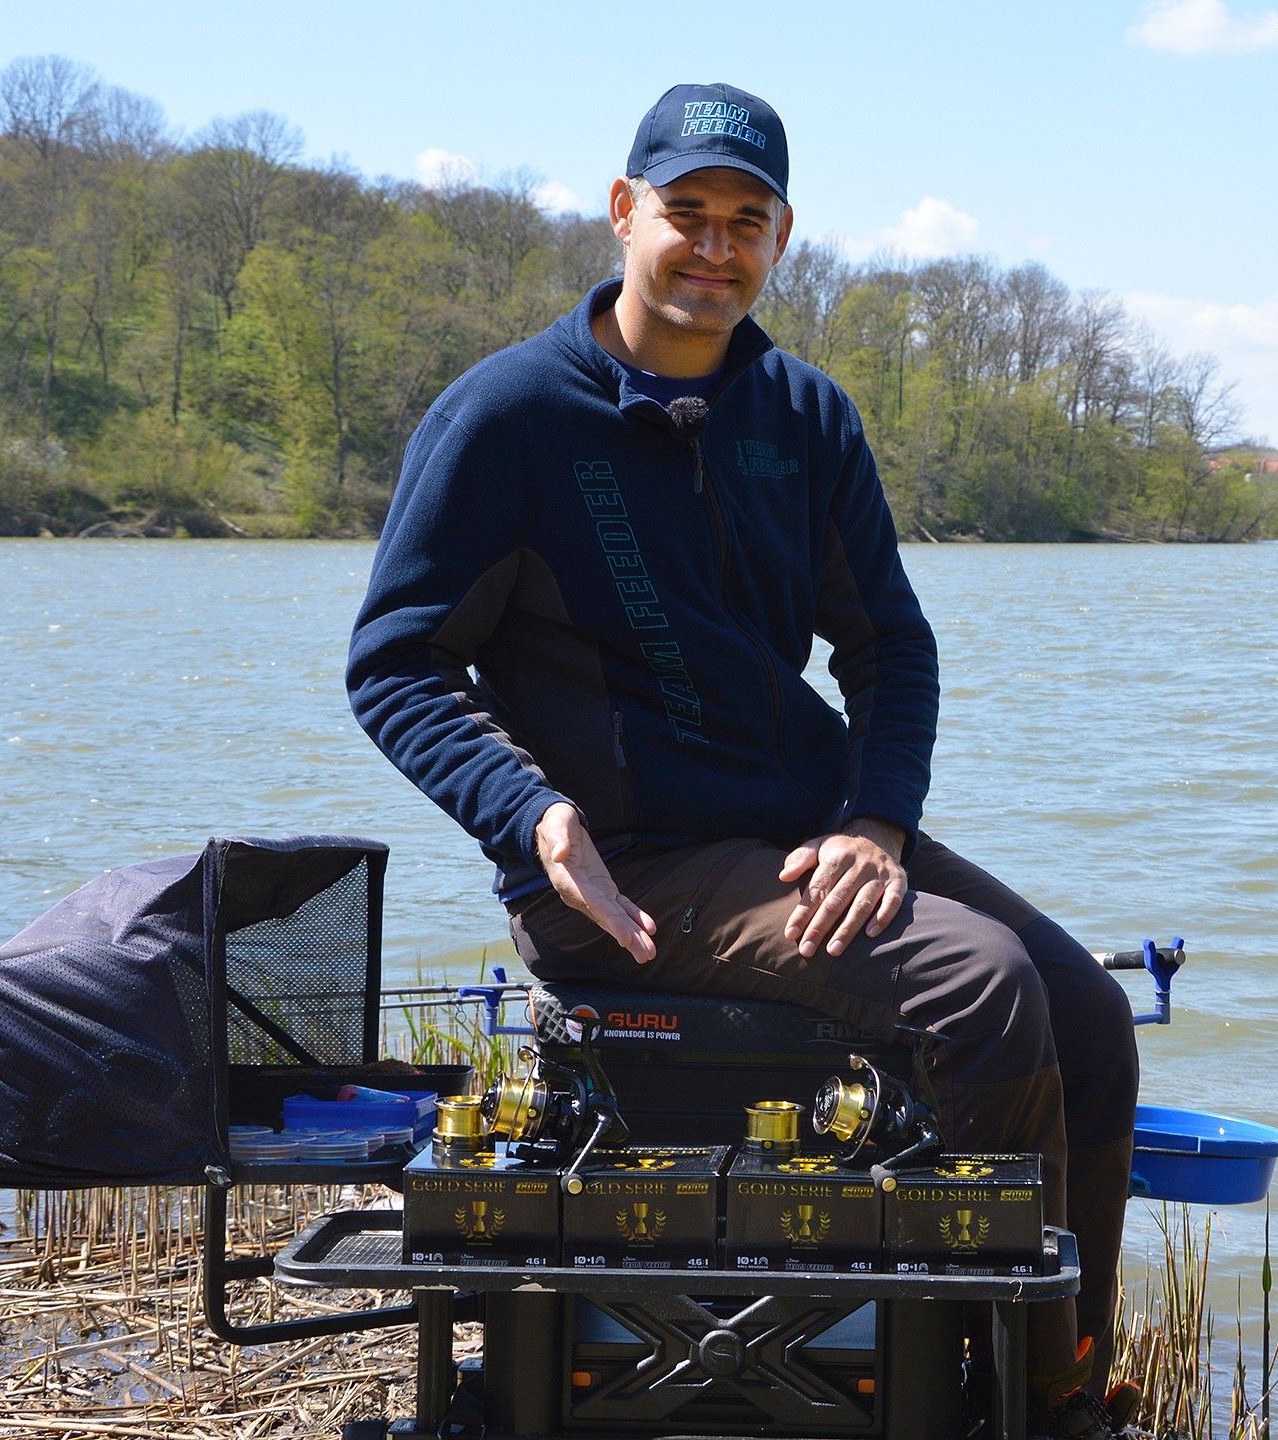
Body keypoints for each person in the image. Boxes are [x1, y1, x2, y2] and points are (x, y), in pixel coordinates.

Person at [348, 81, 1140, 1438]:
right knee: (983, 990)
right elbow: (395, 665)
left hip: (809, 833)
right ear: (623, 212)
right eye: (687, 214)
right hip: (624, 869)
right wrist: (530, 812)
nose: (714, 247)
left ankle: (1059, 1380)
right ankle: (998, 1407)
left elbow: (893, 650)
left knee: (1088, 1014)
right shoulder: (508, 421)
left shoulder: (804, 417)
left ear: (783, 238)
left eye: (747, 221)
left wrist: (878, 824)